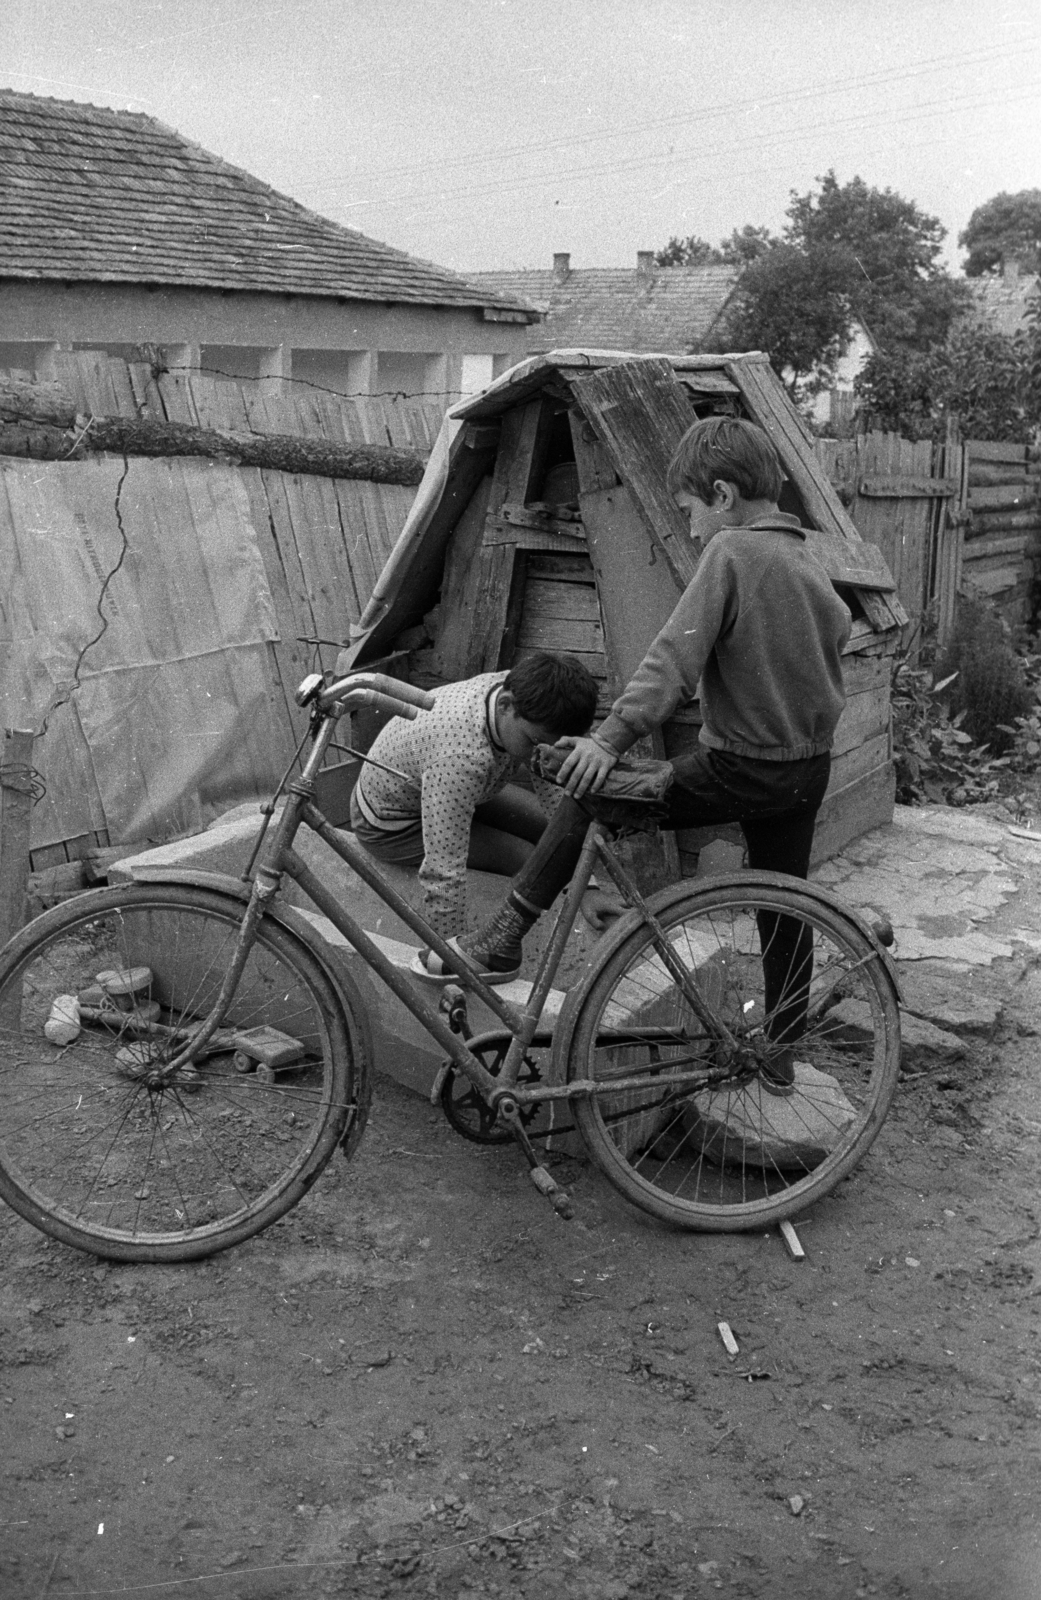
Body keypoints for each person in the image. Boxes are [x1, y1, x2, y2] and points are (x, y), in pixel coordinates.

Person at [457, 415, 853, 1085]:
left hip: (742, 766)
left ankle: (503, 940)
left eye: (690, 508)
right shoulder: (806, 558)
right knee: (783, 903)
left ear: (722, 497)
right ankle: (781, 1049)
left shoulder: (729, 551)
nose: (691, 523)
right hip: (805, 768)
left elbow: (672, 659)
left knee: (587, 793)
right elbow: (838, 631)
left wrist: (609, 739)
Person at [349, 651, 602, 979]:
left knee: (547, 830)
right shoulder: (463, 758)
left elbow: (557, 799)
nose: (542, 757)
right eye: (535, 744)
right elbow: (443, 869)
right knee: (531, 860)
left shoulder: (523, 695)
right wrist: (448, 953)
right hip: (390, 826)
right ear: (506, 705)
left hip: (454, 789)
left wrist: (588, 886)